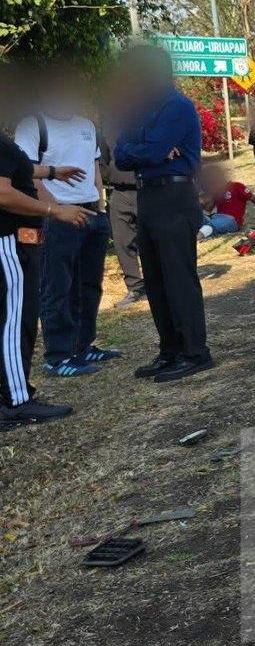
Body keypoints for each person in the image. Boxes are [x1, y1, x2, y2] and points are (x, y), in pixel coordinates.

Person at [111, 44, 213, 383]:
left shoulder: (177, 106)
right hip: (148, 197)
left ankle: (195, 352)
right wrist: (147, 151)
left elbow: (150, 150)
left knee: (178, 278)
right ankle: (169, 350)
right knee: (155, 280)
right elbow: (120, 155)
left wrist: (145, 151)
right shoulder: (138, 110)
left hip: (174, 195)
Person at [14, 72, 122, 378]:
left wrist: (100, 206)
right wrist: (55, 210)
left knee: (89, 285)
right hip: (57, 216)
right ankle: (58, 354)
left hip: (91, 214)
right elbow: (26, 174)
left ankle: (84, 345)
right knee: (57, 287)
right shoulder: (33, 124)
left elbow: (93, 167)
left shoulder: (86, 125)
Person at [0, 120, 92, 426]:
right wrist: (55, 210)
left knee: (18, 318)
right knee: (15, 322)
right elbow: (3, 193)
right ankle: (16, 400)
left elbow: (18, 171)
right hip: (9, 242)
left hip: (20, 241)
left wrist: (53, 172)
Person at [103, 154, 145, 306]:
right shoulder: (108, 130)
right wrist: (114, 175)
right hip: (120, 191)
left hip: (148, 187)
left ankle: (158, 282)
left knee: (152, 239)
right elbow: (101, 161)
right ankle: (135, 287)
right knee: (122, 240)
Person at [197, 162, 249, 239]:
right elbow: (208, 208)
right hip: (214, 218)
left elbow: (254, 199)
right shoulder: (215, 191)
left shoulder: (237, 186)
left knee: (210, 226)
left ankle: (196, 237)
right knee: (195, 217)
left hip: (231, 220)